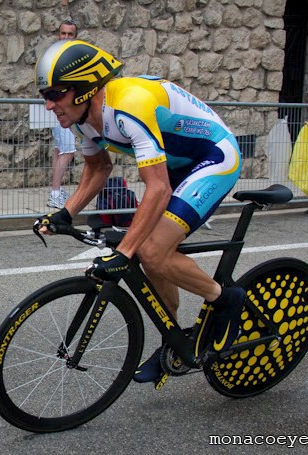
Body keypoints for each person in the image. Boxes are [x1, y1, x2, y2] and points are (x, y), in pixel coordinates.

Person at [35, 39, 246, 385]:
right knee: (150, 253)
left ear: (86, 87)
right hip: (179, 167)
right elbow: (97, 169)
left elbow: (158, 187)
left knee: (149, 249)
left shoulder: (129, 105)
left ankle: (225, 299)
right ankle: (174, 340)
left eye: (56, 94)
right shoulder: (83, 119)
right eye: (45, 94)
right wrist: (65, 213)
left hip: (215, 159)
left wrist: (125, 250)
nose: (48, 104)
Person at [47, 19, 78, 208]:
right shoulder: (56, 56)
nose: (65, 37)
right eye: (63, 33)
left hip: (65, 108)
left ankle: (55, 190)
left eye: (70, 34)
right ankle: (55, 193)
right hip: (60, 108)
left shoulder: (71, 55)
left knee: (60, 149)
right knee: (68, 150)